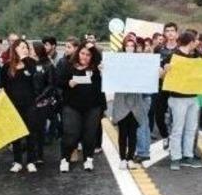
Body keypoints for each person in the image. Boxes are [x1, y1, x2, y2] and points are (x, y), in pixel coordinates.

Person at [58, 44, 105, 172]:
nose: (84, 57)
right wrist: (68, 83)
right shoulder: (68, 66)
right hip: (72, 106)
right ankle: (64, 159)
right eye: (82, 53)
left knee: (90, 134)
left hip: (92, 107)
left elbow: (99, 59)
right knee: (71, 134)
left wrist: (93, 48)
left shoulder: (96, 69)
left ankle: (88, 159)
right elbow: (59, 81)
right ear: (78, 53)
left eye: (88, 55)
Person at [161, 31, 202, 171]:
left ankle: (188, 155)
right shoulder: (173, 56)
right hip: (177, 98)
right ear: (190, 42)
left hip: (194, 96)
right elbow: (160, 74)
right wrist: (165, 70)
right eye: (196, 40)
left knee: (191, 128)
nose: (197, 43)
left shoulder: (196, 55)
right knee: (177, 128)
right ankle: (175, 157)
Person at [0, 39, 41, 173]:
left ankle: (31, 160)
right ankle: (17, 161)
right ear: (15, 49)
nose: (25, 49)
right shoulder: (7, 66)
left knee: (31, 132)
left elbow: (34, 75)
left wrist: (26, 59)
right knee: (15, 133)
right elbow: (2, 84)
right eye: (22, 47)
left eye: (26, 47)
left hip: (29, 103)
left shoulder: (32, 63)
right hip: (12, 104)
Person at [111, 36, 148, 170]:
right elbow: (110, 76)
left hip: (136, 100)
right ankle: (122, 158)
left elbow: (146, 76)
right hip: (121, 99)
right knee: (122, 132)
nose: (130, 48)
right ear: (123, 47)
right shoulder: (117, 61)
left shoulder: (140, 62)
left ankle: (130, 158)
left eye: (132, 46)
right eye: (128, 45)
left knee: (133, 132)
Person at [32, 41, 59, 164]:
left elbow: (51, 85)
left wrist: (39, 97)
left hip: (42, 102)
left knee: (39, 129)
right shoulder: (27, 64)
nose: (29, 51)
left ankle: (39, 155)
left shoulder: (48, 65)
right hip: (28, 100)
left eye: (31, 49)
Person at [153, 22, 179, 141]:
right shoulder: (158, 49)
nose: (170, 33)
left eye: (172, 30)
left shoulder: (180, 49)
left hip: (177, 87)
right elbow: (154, 66)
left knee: (176, 116)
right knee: (158, 115)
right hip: (161, 86)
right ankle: (165, 136)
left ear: (177, 33)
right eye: (167, 31)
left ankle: (175, 139)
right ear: (164, 33)